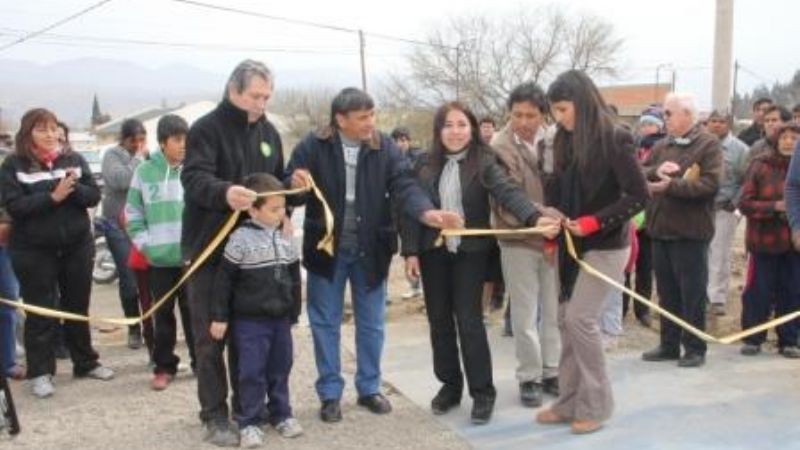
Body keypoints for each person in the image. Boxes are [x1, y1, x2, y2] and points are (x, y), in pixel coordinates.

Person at [287, 87, 461, 424]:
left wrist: (427, 213)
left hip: (371, 249)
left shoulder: (384, 147)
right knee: (325, 322)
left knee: (371, 323)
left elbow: (405, 186)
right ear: (341, 120)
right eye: (363, 118)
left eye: (373, 115)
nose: (371, 123)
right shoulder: (314, 144)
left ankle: (369, 388)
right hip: (327, 250)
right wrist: (294, 182)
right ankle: (330, 394)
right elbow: (290, 190)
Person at [402, 101, 559, 424]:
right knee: (439, 322)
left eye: (462, 124)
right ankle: (449, 386)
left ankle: (482, 393)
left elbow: (507, 191)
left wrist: (535, 216)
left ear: (472, 128)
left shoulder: (485, 160)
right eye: (448, 125)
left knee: (470, 322)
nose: (455, 131)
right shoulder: (423, 163)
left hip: (471, 255)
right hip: (434, 254)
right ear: (438, 130)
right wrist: (411, 251)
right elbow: (407, 208)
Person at [534, 70, 648, 434]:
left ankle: (597, 405)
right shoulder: (563, 141)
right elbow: (555, 189)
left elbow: (638, 195)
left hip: (606, 245)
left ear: (582, 103)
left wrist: (593, 222)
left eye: (563, 109)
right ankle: (568, 401)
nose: (559, 119)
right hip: (571, 244)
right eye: (554, 112)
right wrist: (551, 225)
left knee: (581, 319)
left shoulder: (616, 138)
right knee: (565, 318)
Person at [181, 60, 286, 446]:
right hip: (210, 252)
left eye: (266, 96)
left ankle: (249, 410)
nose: (261, 103)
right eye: (255, 96)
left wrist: (295, 186)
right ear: (233, 91)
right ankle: (214, 415)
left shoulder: (269, 132)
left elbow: (276, 182)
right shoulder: (206, 130)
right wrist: (225, 193)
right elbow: (194, 178)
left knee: (248, 336)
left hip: (254, 257)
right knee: (211, 337)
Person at [0, 108, 114, 398]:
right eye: (42, 130)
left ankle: (85, 362)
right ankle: (41, 371)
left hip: (76, 245)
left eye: (53, 129)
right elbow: (15, 206)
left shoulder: (72, 160)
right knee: (42, 309)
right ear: (28, 134)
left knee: (78, 305)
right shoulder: (14, 165)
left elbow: (93, 195)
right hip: (34, 251)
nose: (50, 135)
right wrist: (52, 197)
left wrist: (72, 190)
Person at [210, 173, 303, 448]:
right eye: (273, 209)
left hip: (280, 320)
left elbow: (294, 277)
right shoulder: (239, 239)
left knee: (281, 367)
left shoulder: (286, 237)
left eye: (283, 208)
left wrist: (294, 312)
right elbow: (224, 281)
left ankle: (281, 414)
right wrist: (220, 316)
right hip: (250, 322)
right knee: (251, 371)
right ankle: (249, 421)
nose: (280, 214)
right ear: (253, 210)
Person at [489, 82, 561, 407]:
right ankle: (529, 376)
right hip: (518, 238)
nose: (524, 121)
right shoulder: (498, 145)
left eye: (531, 115)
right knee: (525, 313)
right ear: (509, 113)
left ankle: (552, 370)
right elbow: (508, 196)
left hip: (556, 237)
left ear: (542, 114)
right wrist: (542, 217)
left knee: (554, 309)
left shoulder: (556, 139)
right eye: (517, 114)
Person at [641, 93, 723, 368]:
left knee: (692, 292)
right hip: (660, 229)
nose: (665, 118)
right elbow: (640, 171)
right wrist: (655, 172)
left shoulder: (708, 144)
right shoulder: (662, 145)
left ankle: (695, 347)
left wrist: (671, 186)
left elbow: (710, 185)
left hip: (690, 232)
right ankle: (668, 344)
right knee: (666, 292)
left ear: (688, 114)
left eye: (668, 113)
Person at [125, 114, 195, 390]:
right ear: (163, 142)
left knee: (194, 314)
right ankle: (164, 366)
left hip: (191, 260)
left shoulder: (193, 171)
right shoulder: (144, 172)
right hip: (159, 261)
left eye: (186, 139)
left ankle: (202, 363)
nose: (183, 145)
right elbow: (132, 213)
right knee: (162, 316)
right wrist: (147, 245)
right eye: (177, 140)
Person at [738, 123, 800, 357]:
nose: (789, 141)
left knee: (793, 291)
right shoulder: (760, 165)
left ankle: (789, 340)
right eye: (784, 136)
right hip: (762, 241)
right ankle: (753, 338)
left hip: (795, 244)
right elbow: (744, 202)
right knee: (757, 292)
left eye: (795, 137)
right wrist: (774, 207)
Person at [101, 118, 147, 349]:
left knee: (148, 281)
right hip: (117, 226)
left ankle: (151, 327)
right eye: (133, 140)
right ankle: (133, 329)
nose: (138, 144)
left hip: (143, 225)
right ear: (124, 139)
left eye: (142, 140)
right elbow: (121, 181)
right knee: (129, 280)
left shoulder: (147, 156)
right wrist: (138, 159)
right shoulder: (112, 155)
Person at [622, 106, 665, 327]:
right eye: (644, 123)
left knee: (646, 267)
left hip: (651, 216)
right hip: (629, 215)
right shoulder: (632, 146)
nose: (647, 128)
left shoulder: (664, 148)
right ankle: (621, 307)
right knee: (625, 264)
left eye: (651, 124)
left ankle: (643, 310)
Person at [704, 110, 749, 316]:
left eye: (721, 121)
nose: (716, 125)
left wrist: (735, 202)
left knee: (720, 254)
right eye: (713, 121)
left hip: (724, 208)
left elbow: (746, 180)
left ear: (729, 124)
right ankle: (701, 294)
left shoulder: (740, 149)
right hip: (700, 207)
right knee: (701, 252)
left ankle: (717, 297)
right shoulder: (701, 145)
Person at [391, 126, 424, 300]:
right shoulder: (388, 159)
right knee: (404, 250)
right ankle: (413, 286)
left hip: (415, 210)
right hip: (395, 211)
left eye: (403, 140)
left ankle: (421, 285)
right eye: (397, 140)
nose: (400, 144)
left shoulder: (419, 158)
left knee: (418, 249)